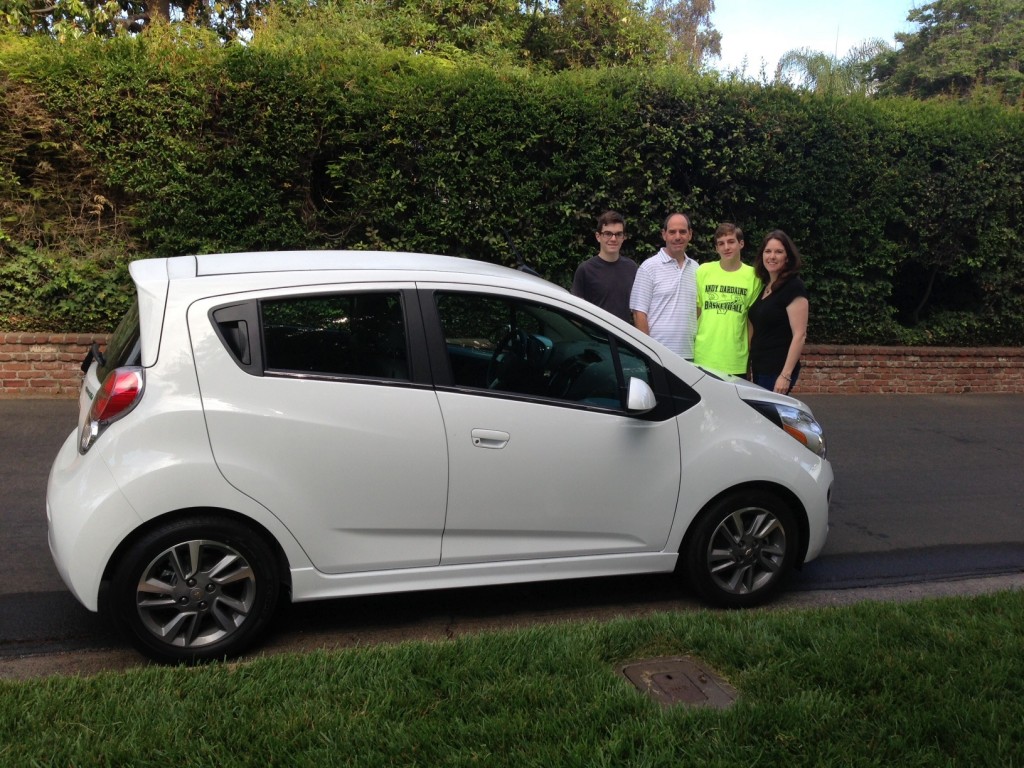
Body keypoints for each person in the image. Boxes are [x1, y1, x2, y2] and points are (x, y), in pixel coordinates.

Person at [693, 223, 762, 376]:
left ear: (741, 243)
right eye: (721, 244)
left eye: (731, 241)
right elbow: (697, 312)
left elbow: (752, 321)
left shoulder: (754, 277)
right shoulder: (703, 271)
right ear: (716, 248)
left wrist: (750, 354)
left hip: (735, 360)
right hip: (704, 356)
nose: (726, 247)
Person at [629, 212, 699, 359]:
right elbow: (639, 313)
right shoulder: (648, 268)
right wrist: (649, 353)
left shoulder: (697, 269)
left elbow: (698, 311)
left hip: (691, 356)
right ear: (664, 234)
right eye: (672, 232)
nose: (678, 237)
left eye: (683, 232)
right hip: (658, 357)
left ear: (690, 234)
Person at [749, 229, 809, 394]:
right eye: (768, 251)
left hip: (778, 371)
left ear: (787, 257)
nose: (772, 256)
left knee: (771, 417)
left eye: (778, 252)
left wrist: (785, 375)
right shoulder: (764, 287)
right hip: (761, 368)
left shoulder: (793, 287)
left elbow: (800, 335)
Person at [571, 211, 638, 324]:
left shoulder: (632, 268)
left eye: (618, 234)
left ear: (623, 237)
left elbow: (637, 309)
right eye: (608, 233)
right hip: (595, 339)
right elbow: (576, 315)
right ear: (598, 236)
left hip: (625, 338)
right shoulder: (585, 270)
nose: (613, 239)